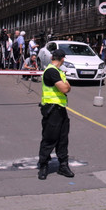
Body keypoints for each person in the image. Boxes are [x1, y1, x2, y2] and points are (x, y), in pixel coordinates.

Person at [37, 48, 74, 180]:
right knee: (49, 139)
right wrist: (66, 86)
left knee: (63, 139)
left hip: (61, 109)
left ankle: (63, 165)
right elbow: (65, 88)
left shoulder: (58, 71)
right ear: (62, 59)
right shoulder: (52, 71)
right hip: (52, 110)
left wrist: (66, 86)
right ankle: (43, 165)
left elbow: (67, 87)